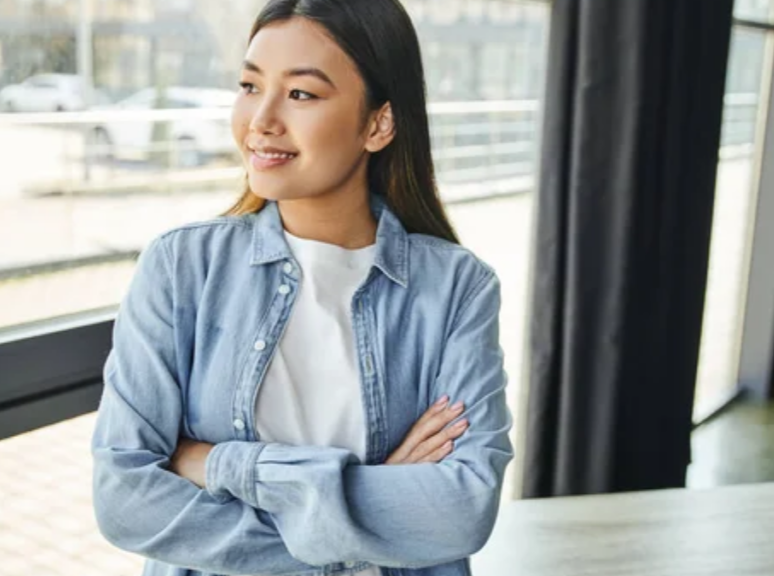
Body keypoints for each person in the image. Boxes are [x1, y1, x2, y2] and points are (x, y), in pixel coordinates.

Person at [91, 1, 513, 575]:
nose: (261, 119)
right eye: (249, 85)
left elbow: (459, 513)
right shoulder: (181, 267)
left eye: (301, 94)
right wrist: (371, 507)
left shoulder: (458, 290)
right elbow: (126, 502)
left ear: (378, 123)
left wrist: (219, 465)